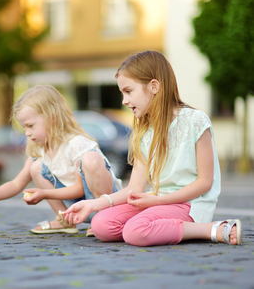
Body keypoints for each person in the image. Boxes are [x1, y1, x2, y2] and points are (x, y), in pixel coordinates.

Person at [63, 50, 242, 246]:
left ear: (154, 86)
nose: (124, 101)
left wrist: (156, 202)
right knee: (101, 224)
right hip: (157, 202)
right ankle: (161, 227)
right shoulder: (144, 133)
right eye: (122, 93)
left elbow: (204, 183)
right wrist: (92, 204)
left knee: (134, 231)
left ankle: (211, 229)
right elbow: (134, 188)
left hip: (189, 204)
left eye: (128, 91)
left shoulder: (195, 121)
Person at [0, 85, 122, 234]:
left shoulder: (77, 144)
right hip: (75, 207)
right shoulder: (40, 149)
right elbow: (16, 183)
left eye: (30, 126)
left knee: (91, 159)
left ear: (52, 118)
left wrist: (44, 194)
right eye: (24, 127)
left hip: (102, 202)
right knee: (36, 168)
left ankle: (104, 217)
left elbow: (79, 189)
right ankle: (65, 219)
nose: (27, 133)